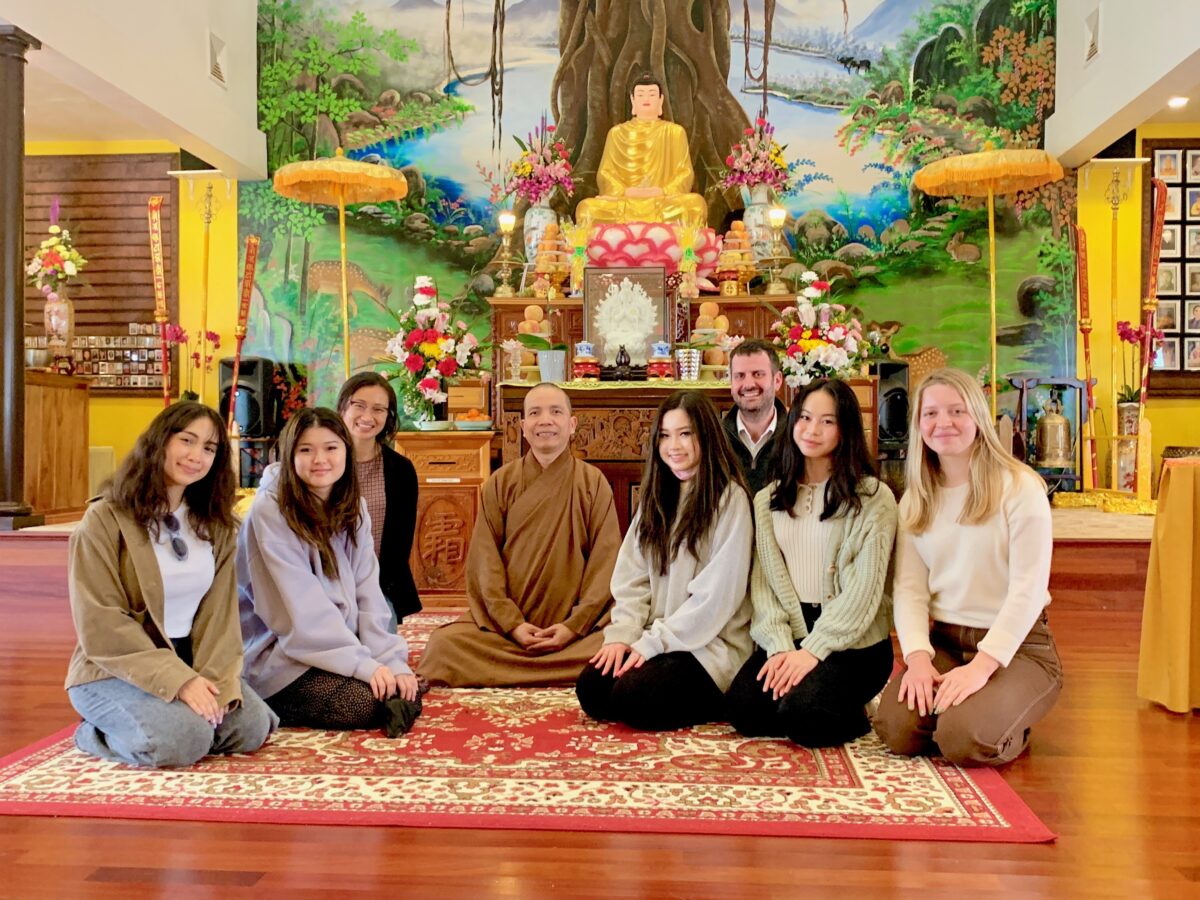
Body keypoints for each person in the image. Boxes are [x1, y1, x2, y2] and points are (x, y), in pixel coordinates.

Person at [65, 402, 276, 767]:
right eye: (187, 441)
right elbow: (101, 623)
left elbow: (220, 618)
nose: (197, 456)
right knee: (184, 740)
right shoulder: (104, 518)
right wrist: (179, 681)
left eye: (209, 448)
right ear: (160, 442)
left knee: (250, 726)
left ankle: (174, 718)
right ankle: (93, 734)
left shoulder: (218, 526)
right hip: (114, 668)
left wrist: (216, 682)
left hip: (191, 660)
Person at [873, 368, 1063, 766]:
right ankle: (967, 709)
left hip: (1016, 648)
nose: (943, 423)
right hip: (945, 643)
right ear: (918, 424)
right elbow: (909, 591)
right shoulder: (916, 500)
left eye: (957, 411)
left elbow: (1028, 590)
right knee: (897, 729)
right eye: (931, 414)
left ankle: (1008, 721)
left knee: (963, 738)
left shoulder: (1020, 488)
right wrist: (919, 660)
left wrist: (981, 667)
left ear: (977, 416)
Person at [727, 379, 897, 747]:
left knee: (802, 715)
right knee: (745, 710)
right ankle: (818, 697)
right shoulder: (768, 499)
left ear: (846, 429)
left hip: (855, 645)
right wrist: (780, 648)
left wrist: (813, 653)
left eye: (827, 421)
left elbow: (863, 594)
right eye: (804, 417)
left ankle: (852, 711)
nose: (812, 430)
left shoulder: (873, 498)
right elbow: (764, 587)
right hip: (793, 632)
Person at [418, 383, 622, 687]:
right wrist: (513, 625)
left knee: (617, 644)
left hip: (576, 630)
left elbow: (606, 564)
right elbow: (485, 562)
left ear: (572, 424)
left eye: (556, 412)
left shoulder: (593, 483)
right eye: (535, 413)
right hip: (508, 631)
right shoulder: (501, 483)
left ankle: (520, 665)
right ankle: (551, 666)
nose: (546, 421)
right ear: (523, 427)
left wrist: (573, 626)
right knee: (443, 646)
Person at [576, 391, 753, 731]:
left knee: (634, 698)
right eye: (666, 435)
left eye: (686, 434)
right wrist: (623, 636)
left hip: (709, 644)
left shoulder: (730, 499)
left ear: (707, 437)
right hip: (657, 636)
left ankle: (718, 698)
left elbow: (716, 599)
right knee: (592, 689)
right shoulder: (659, 494)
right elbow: (632, 578)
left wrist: (652, 644)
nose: (675, 446)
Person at [239, 408, 420, 734]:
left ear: (347, 453)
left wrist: (391, 661)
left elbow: (369, 590)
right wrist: (364, 666)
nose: (319, 459)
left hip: (336, 646)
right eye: (306, 450)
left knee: (398, 684)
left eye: (331, 448)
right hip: (279, 652)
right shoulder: (270, 509)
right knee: (363, 703)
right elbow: (299, 611)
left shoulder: (354, 506)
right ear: (289, 454)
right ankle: (268, 701)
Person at [336, 372, 420, 626]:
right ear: (342, 407)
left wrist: (374, 594)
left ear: (388, 416)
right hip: (325, 585)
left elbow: (400, 546)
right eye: (358, 405)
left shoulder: (401, 470)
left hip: (380, 588)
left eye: (379, 409)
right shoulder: (324, 462)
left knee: (384, 660)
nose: (367, 417)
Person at [574, 73, 708, 228]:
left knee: (696, 206)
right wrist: (625, 192)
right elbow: (605, 174)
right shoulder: (617, 133)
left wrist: (662, 191)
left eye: (652, 94)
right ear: (633, 101)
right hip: (625, 203)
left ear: (660, 101)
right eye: (640, 94)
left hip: (662, 201)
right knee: (586, 209)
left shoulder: (674, 132)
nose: (646, 99)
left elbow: (685, 173)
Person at [723, 338, 786, 494]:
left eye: (758, 374)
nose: (748, 384)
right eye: (739, 376)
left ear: (777, 381)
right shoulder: (717, 438)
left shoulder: (795, 437)